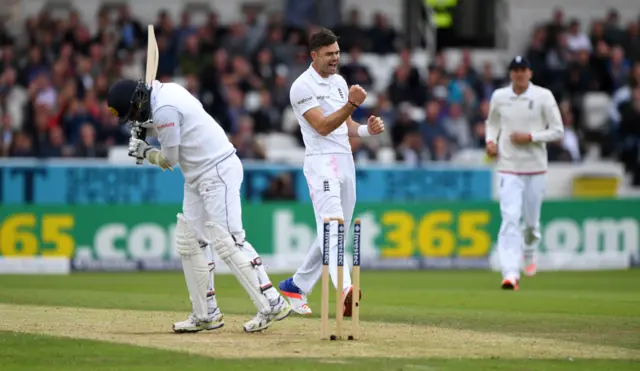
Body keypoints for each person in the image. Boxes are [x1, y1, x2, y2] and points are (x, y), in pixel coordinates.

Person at [106, 78, 292, 333]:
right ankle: (206, 313)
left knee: (229, 241)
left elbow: (169, 159)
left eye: (134, 112)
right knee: (190, 242)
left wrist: (145, 151)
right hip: (196, 176)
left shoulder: (164, 109)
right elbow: (167, 128)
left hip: (216, 171)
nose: (134, 117)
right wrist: (145, 130)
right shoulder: (164, 94)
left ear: (139, 99)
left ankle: (273, 302)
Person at [279, 28, 385, 315]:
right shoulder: (302, 87)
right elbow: (323, 126)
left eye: (337, 53)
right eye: (329, 54)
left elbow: (345, 124)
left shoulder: (339, 82)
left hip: (345, 160)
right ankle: (347, 290)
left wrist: (366, 130)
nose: (335, 58)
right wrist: (352, 103)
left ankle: (296, 285)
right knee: (334, 229)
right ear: (314, 56)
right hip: (321, 162)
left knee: (334, 232)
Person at [485, 56, 564, 290]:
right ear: (510, 73)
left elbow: (558, 130)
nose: (519, 74)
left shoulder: (543, 96)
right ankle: (510, 273)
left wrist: (531, 137)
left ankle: (529, 251)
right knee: (510, 219)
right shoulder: (499, 96)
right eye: (515, 70)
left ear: (530, 72)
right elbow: (492, 123)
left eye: (523, 69)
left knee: (531, 224)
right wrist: (491, 141)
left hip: (535, 167)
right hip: (508, 167)